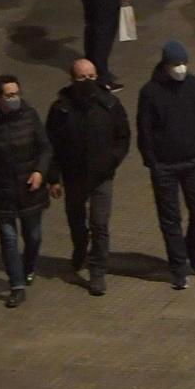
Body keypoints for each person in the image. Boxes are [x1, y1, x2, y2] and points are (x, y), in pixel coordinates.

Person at [44, 58, 131, 294]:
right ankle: (80, 248)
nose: (88, 82)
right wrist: (53, 178)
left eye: (91, 76)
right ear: (73, 79)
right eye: (82, 77)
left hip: (102, 176)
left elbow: (123, 137)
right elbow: (50, 145)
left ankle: (97, 270)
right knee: (76, 221)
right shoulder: (60, 109)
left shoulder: (110, 105)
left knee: (100, 224)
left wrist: (112, 160)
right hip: (74, 177)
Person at [0, 73, 52, 307]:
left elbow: (45, 148)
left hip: (29, 189)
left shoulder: (29, 115)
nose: (15, 98)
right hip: (1, 191)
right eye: (9, 95)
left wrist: (40, 172)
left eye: (17, 94)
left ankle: (30, 266)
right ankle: (17, 285)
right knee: (9, 238)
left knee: (33, 236)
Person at [136, 39, 195, 290]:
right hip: (165, 166)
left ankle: (193, 251)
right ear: (166, 65)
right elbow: (144, 129)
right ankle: (178, 266)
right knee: (170, 219)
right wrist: (153, 161)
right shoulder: (150, 92)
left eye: (184, 63)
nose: (181, 68)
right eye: (176, 64)